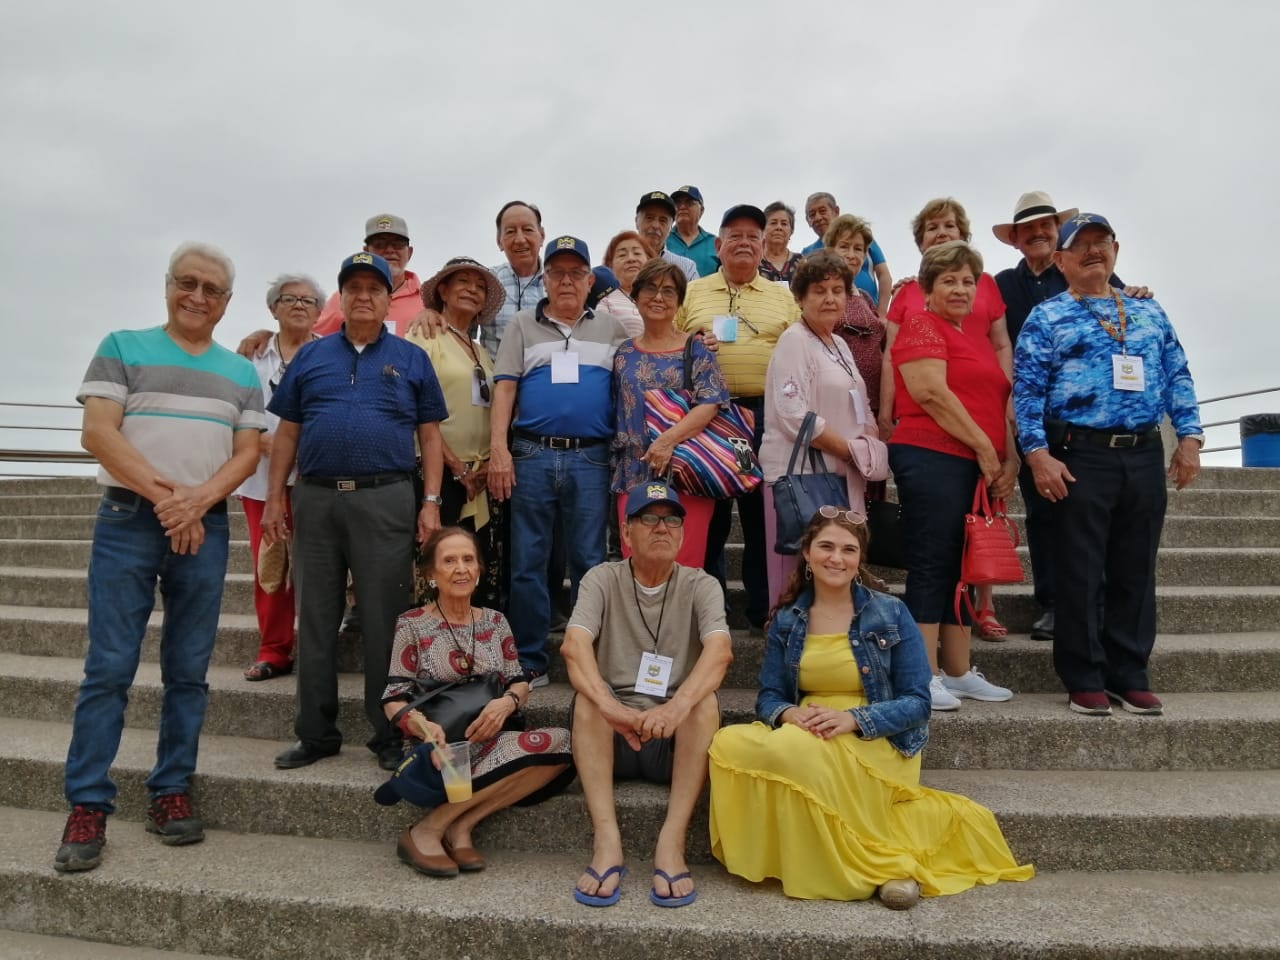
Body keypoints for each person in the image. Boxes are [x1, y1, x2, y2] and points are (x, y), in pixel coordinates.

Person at [56, 242, 265, 873]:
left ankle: (171, 791)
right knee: (109, 669)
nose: (197, 297)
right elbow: (98, 432)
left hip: (202, 522)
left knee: (188, 671)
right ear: (168, 285)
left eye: (211, 290)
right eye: (187, 283)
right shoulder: (123, 345)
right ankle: (88, 803)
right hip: (129, 519)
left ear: (227, 303)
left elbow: (248, 452)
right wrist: (172, 501)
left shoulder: (241, 372)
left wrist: (197, 502)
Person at [708, 509, 1034, 905]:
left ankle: (888, 866)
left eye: (848, 549)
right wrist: (789, 714)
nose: (836, 558)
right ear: (807, 554)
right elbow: (769, 697)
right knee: (727, 743)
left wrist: (852, 719)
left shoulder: (890, 612)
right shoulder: (788, 619)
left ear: (859, 559)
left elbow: (918, 702)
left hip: (878, 736)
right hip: (808, 730)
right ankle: (870, 863)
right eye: (826, 546)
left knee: (793, 751)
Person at [263, 252, 448, 772]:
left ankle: (388, 733)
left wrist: (430, 503)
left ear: (391, 298)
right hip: (316, 498)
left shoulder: (411, 357)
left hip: (385, 497)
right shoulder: (310, 357)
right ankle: (316, 734)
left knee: (384, 623)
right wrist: (276, 495)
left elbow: (431, 437)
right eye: (354, 287)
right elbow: (287, 432)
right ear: (340, 298)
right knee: (316, 620)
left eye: (375, 287)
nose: (364, 295)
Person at [1014, 213, 1203, 717]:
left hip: (1143, 453)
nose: (1094, 251)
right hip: (1080, 454)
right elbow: (1027, 391)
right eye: (1083, 245)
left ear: (1115, 251)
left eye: (1103, 243)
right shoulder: (1047, 317)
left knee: (1135, 569)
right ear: (1061, 260)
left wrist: (1190, 438)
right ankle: (1084, 676)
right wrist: (1036, 454)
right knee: (1080, 569)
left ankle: (1130, 672)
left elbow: (1177, 371)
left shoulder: (1148, 311)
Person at [561, 481, 733, 908]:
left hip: (672, 737)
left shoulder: (702, 584)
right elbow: (574, 645)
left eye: (672, 519)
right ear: (626, 532)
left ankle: (671, 844)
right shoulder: (602, 578)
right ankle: (607, 843)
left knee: (703, 702)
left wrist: (676, 707)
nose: (662, 528)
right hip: (611, 735)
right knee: (586, 699)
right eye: (649, 518)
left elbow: (720, 652)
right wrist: (610, 705)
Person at [993, 191, 1151, 643]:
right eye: (1028, 229)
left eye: (1046, 225)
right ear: (1017, 241)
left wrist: (1135, 291)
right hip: (1032, 414)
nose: (1038, 233)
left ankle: (1096, 605)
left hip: (1091, 423)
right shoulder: (1003, 284)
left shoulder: (1092, 269)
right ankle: (1053, 602)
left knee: (1095, 518)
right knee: (1044, 516)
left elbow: (1119, 308)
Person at [377, 527, 574, 877]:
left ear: (480, 569)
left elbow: (518, 679)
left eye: (468, 560)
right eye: (449, 561)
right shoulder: (412, 624)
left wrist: (507, 703)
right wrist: (425, 730)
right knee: (470, 754)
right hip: (441, 746)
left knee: (568, 743)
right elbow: (393, 696)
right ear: (430, 574)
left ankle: (454, 825)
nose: (461, 569)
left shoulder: (496, 621)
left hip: (491, 735)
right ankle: (427, 832)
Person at [489, 235, 627, 686]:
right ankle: (529, 658)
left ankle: (588, 655)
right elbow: (505, 388)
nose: (566, 281)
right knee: (527, 560)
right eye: (557, 273)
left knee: (589, 560)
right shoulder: (522, 326)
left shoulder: (612, 329)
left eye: (575, 273)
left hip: (591, 457)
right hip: (530, 453)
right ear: (544, 279)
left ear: (590, 280)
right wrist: (498, 451)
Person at [888, 241, 1017, 712]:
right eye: (949, 280)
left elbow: (998, 401)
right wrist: (985, 449)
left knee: (961, 568)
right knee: (932, 562)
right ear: (928, 289)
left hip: (973, 464)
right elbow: (931, 394)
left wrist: (1009, 460)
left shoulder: (976, 341)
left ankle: (959, 671)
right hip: (930, 455)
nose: (960, 288)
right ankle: (924, 675)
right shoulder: (922, 324)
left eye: (968, 280)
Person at [675, 204, 800, 630]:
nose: (744, 242)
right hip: (708, 416)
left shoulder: (783, 295)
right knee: (708, 518)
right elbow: (669, 344)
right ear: (718, 244)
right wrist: (693, 343)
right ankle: (710, 613)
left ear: (764, 245)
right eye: (735, 235)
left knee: (761, 517)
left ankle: (764, 609)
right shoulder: (692, 292)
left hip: (765, 415)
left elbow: (800, 351)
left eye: (753, 236)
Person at [759, 251, 885, 604]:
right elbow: (793, 413)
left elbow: (861, 405)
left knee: (832, 586)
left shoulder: (841, 344)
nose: (830, 298)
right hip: (801, 479)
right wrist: (851, 451)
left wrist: (870, 442)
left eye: (837, 289)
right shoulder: (794, 340)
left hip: (843, 477)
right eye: (819, 290)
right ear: (800, 298)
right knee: (796, 584)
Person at [611, 258, 729, 567]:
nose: (658, 297)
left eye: (668, 291)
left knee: (685, 567)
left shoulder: (697, 348)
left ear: (679, 301)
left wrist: (667, 442)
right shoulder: (623, 353)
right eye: (650, 288)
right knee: (636, 565)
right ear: (635, 296)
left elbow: (710, 402)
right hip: (634, 472)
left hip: (687, 472)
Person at [237, 273, 323, 681]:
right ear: (273, 308)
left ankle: (318, 644)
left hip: (317, 479)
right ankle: (273, 648)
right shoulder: (249, 358)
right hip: (259, 480)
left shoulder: (331, 353)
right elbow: (232, 412)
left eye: (308, 300)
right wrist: (263, 442)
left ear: (321, 311)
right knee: (269, 567)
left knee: (319, 565)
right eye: (289, 299)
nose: (299, 305)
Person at [407, 257, 507, 608]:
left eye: (479, 286)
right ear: (443, 292)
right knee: (440, 566)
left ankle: (472, 649)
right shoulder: (425, 334)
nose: (472, 290)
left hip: (480, 477)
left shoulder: (480, 351)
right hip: (439, 473)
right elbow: (415, 409)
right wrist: (455, 466)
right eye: (462, 282)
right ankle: (432, 651)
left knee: (473, 570)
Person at [823, 214, 887, 419]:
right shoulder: (822, 295)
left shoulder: (867, 297)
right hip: (841, 404)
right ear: (830, 251)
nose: (852, 255)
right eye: (844, 247)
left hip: (876, 400)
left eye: (858, 249)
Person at [801, 192, 892, 313]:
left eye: (822, 211)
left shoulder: (862, 238)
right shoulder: (807, 252)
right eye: (812, 214)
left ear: (836, 211)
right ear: (807, 221)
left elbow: (884, 275)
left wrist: (882, 313)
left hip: (870, 312)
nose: (818, 217)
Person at [635, 191, 698, 282]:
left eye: (663, 220)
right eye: (649, 218)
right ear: (636, 221)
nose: (656, 225)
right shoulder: (619, 262)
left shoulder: (687, 268)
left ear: (671, 227)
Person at [667, 185, 719, 277]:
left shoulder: (716, 243)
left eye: (690, 202)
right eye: (677, 203)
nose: (682, 206)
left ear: (702, 210)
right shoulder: (662, 241)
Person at [758, 201, 802, 283]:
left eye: (784, 224)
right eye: (773, 223)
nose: (779, 227)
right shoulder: (755, 262)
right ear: (763, 229)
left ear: (791, 231)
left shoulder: (802, 262)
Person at [603, 230, 649, 299]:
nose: (631, 259)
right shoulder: (604, 301)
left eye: (637, 253)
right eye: (622, 255)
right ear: (610, 265)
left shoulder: (663, 297)